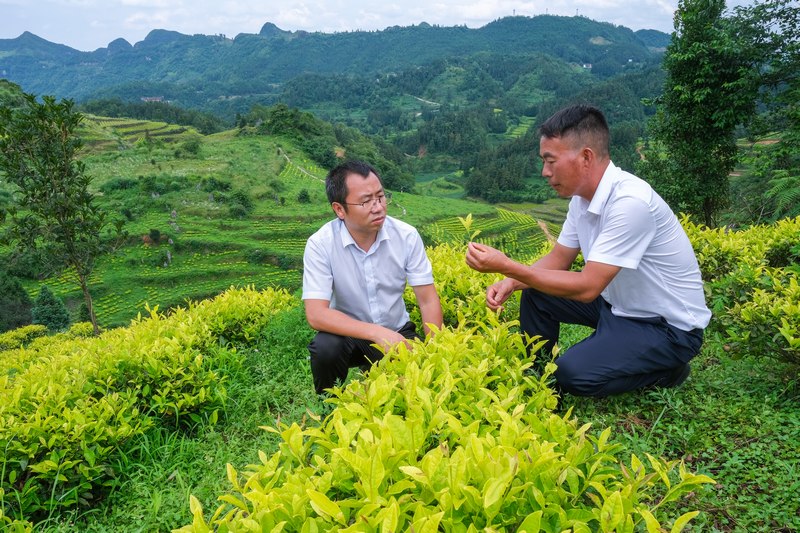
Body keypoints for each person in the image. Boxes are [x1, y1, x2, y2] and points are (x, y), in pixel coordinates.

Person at [465, 104, 711, 397]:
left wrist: (507, 266)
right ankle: (536, 373)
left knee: (572, 376)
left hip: (666, 328)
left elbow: (587, 288)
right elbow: (559, 259)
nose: (545, 172)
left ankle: (668, 370)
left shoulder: (630, 203)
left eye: (551, 161)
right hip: (618, 307)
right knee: (535, 291)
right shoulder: (582, 200)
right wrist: (512, 282)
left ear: (585, 157)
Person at [302, 160, 443, 394]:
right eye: (366, 201)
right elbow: (316, 314)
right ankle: (327, 407)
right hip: (349, 335)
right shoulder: (321, 244)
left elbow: (427, 300)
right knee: (325, 347)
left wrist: (436, 352)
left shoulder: (406, 236)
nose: (378, 207)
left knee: (413, 392)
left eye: (380, 197)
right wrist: (376, 332)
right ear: (339, 209)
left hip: (398, 332)